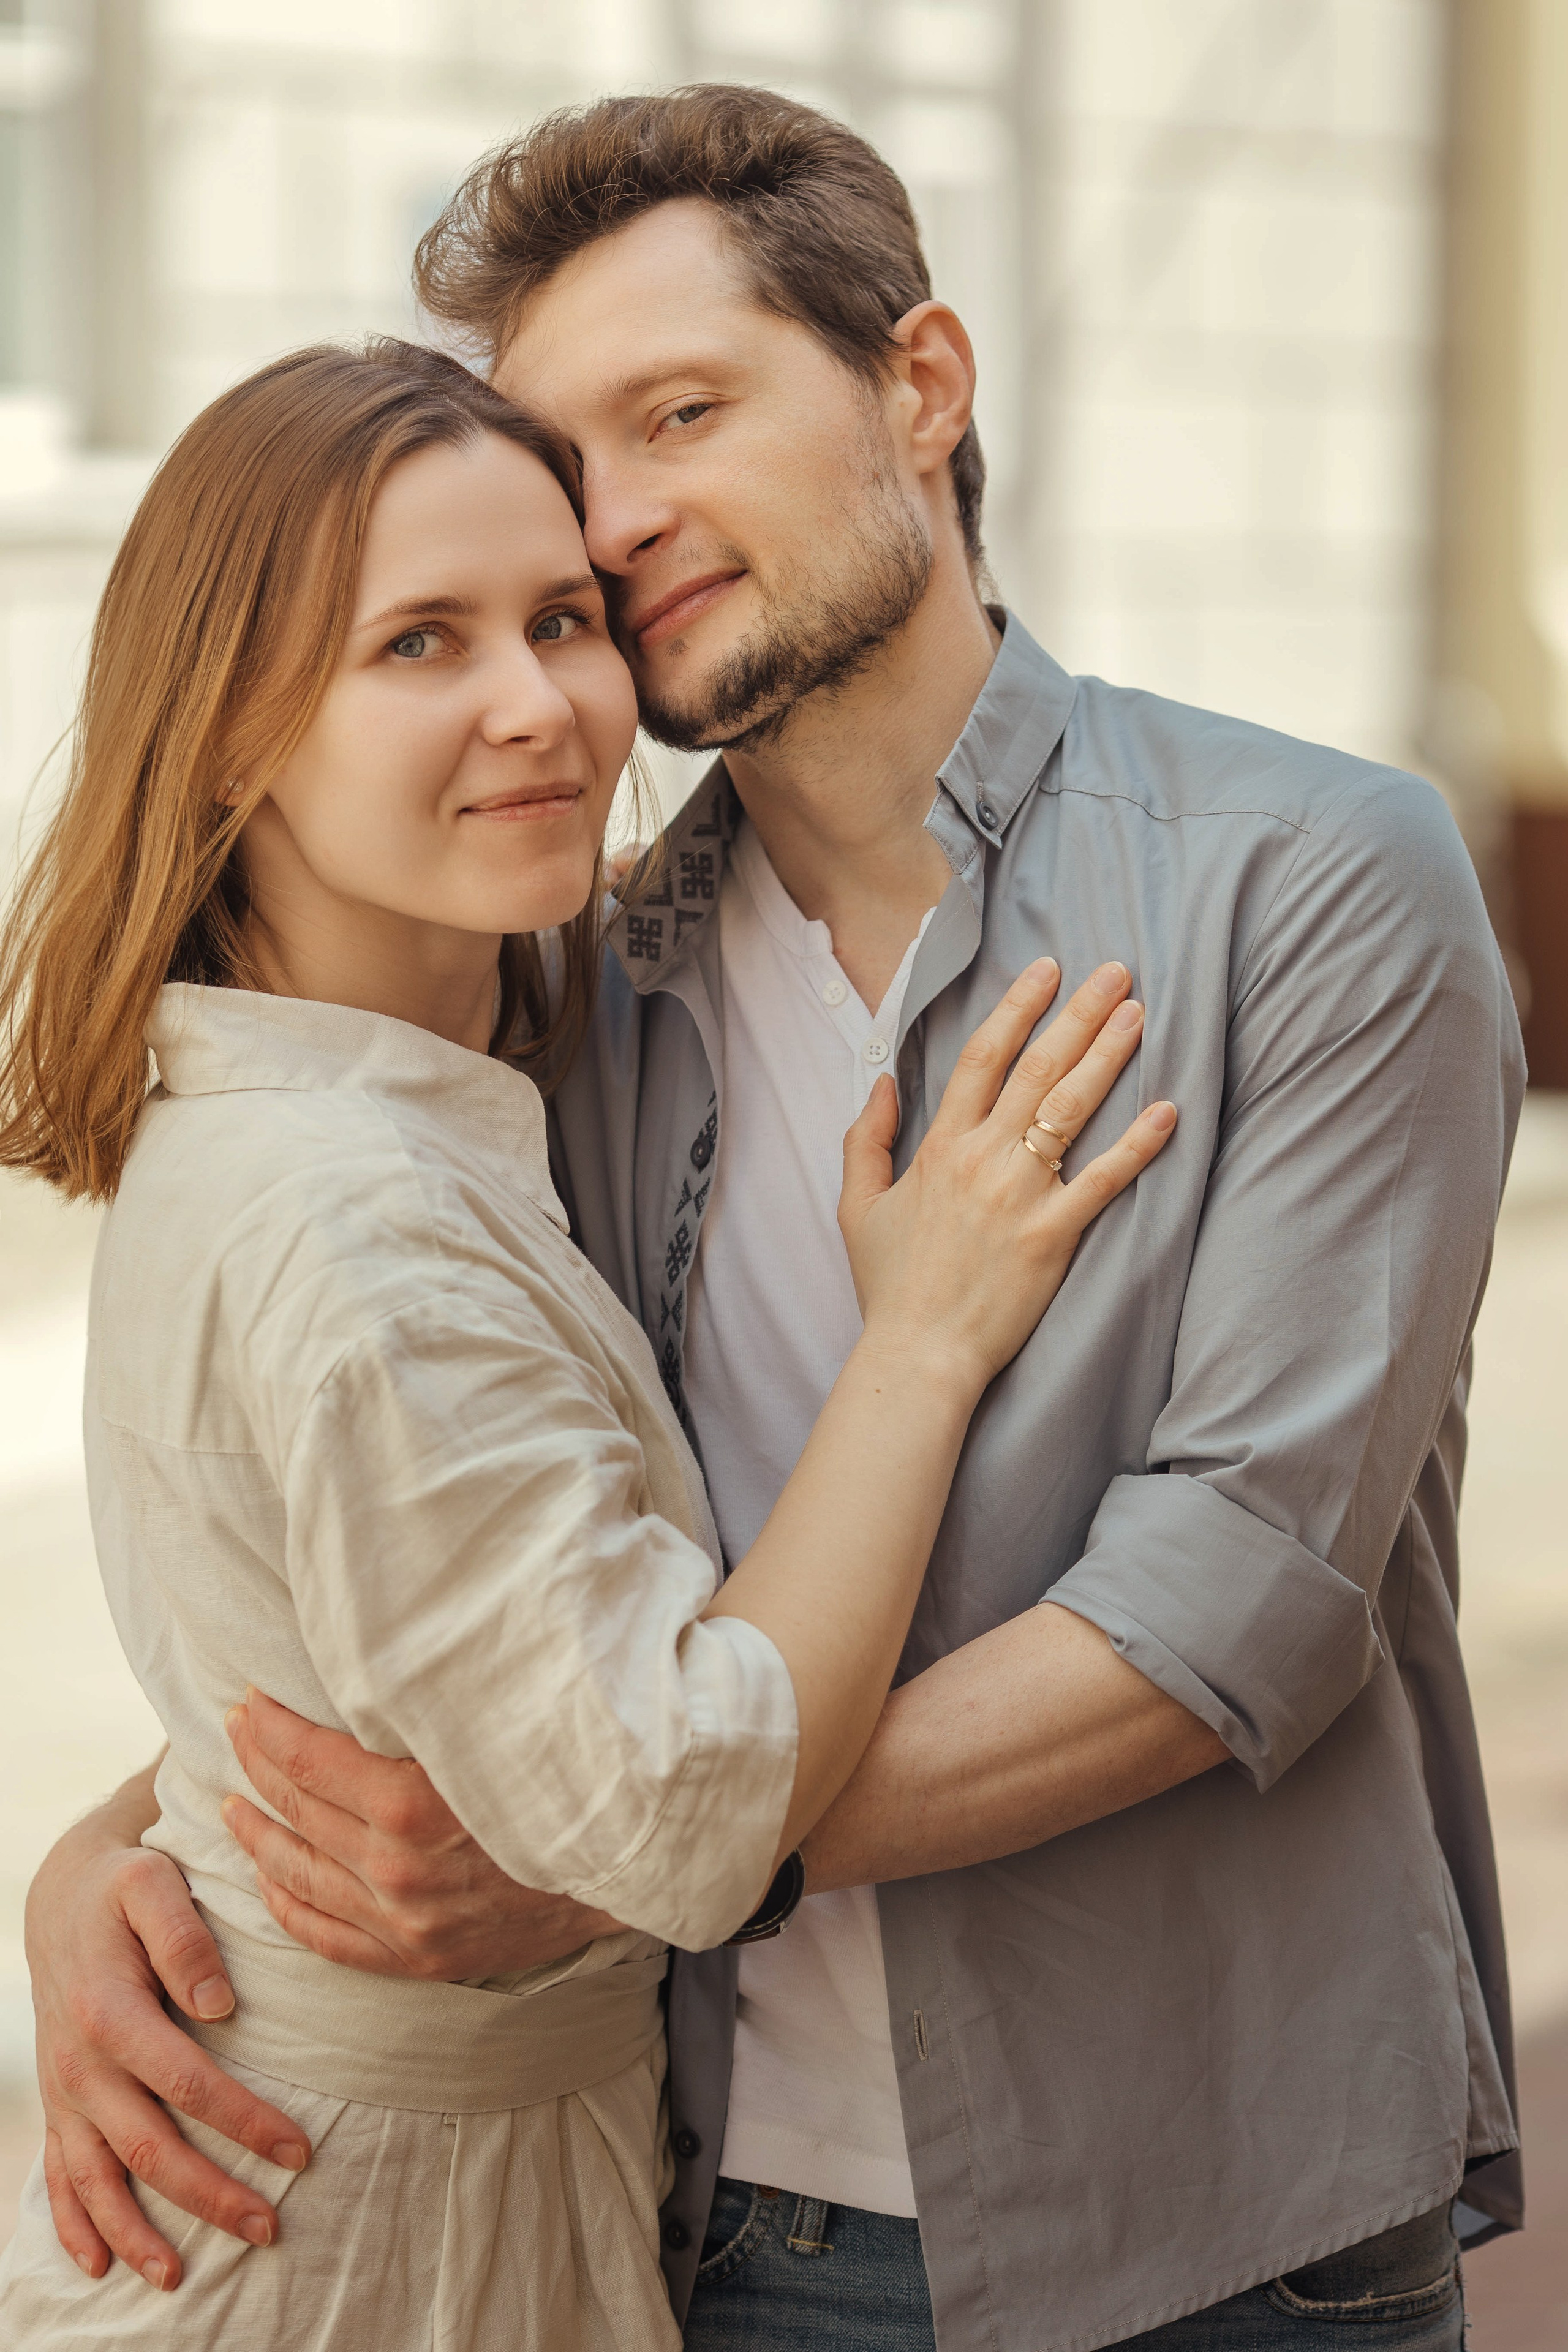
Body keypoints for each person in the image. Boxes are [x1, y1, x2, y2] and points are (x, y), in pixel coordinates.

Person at [23, 85, 1522, 2352]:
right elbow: (474, 1556)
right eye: (569, 461)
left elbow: (1244, 1596)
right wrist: (107, 1858)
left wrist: (609, 1863)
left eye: (684, 411)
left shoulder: (1310, 884)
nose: (617, 523)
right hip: (714, 2225)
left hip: (1218, 2227)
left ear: (921, 387)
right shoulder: (570, 988)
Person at [0, 334, 1172, 2350]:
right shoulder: (356, 1221)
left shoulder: (411, 1089)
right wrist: (926, 1333)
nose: (537, 706)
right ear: (222, 736)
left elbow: (374, 1639)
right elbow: (682, 1808)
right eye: (418, 647)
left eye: (560, 619)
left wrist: (99, 1852)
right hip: (359, 2244)